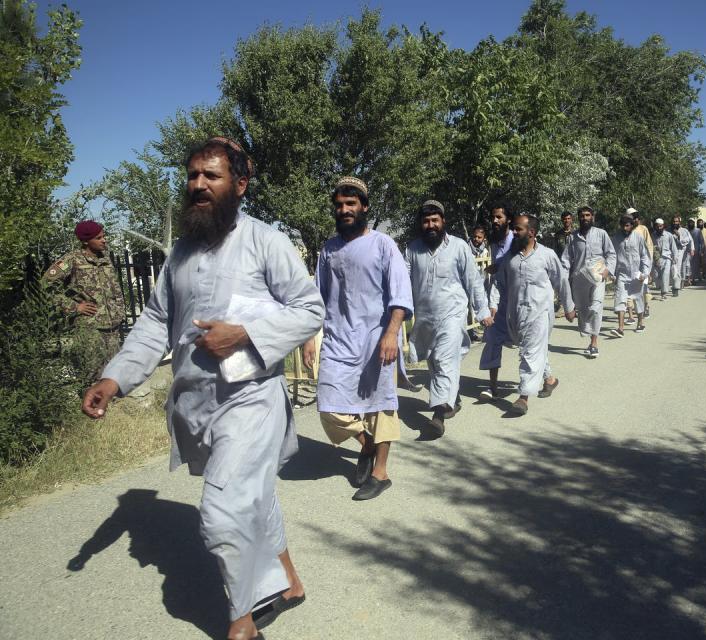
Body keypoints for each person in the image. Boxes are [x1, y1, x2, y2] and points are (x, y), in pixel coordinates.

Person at [81, 138, 325, 640]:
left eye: (210, 176)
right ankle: (291, 584)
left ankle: (242, 624)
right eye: (192, 175)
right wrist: (114, 377)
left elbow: (310, 309)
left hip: (251, 399)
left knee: (222, 512)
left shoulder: (266, 241)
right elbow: (154, 323)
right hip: (197, 403)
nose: (197, 185)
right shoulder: (179, 255)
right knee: (252, 499)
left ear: (240, 184)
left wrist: (245, 334)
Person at [305, 176, 414, 500]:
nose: (344, 210)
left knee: (381, 407)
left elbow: (400, 294)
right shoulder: (329, 249)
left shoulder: (383, 244)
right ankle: (366, 445)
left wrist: (391, 334)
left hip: (376, 340)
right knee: (329, 408)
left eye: (351, 204)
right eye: (339, 206)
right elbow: (316, 298)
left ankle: (380, 473)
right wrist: (310, 337)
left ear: (364, 207)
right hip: (339, 341)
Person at [405, 200, 491, 437]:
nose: (430, 225)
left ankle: (438, 415)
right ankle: (455, 398)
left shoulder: (459, 246)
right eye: (426, 221)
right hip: (425, 318)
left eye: (435, 220)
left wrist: (482, 310)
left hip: (452, 314)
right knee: (434, 362)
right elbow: (402, 281)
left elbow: (473, 280)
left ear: (443, 221)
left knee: (443, 359)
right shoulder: (412, 250)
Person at [489, 214, 575, 415]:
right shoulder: (510, 258)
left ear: (532, 233)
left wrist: (569, 307)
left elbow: (561, 281)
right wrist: (492, 304)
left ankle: (524, 397)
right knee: (533, 348)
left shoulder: (547, 255)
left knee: (530, 351)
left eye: (518, 229)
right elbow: (498, 283)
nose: (513, 232)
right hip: (516, 314)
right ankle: (550, 380)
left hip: (540, 313)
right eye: (513, 228)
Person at [43, 220, 126, 377]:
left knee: (113, 374)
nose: (104, 240)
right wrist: (74, 307)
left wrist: (120, 311)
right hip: (90, 328)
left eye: (104, 236)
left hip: (112, 326)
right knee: (91, 375)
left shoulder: (105, 259)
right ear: (86, 241)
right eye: (99, 237)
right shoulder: (71, 260)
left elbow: (114, 288)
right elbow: (45, 286)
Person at [561, 206, 616, 359]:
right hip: (579, 280)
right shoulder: (573, 237)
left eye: (587, 215)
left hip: (598, 278)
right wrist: (563, 277)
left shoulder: (601, 234)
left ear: (592, 216)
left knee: (596, 307)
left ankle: (594, 343)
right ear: (578, 218)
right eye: (582, 216)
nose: (584, 218)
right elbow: (566, 259)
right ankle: (588, 333)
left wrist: (607, 270)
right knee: (584, 310)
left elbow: (611, 254)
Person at [479, 204, 516, 400]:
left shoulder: (517, 240)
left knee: (528, 342)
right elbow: (496, 279)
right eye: (493, 217)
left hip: (519, 300)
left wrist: (499, 266)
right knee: (493, 339)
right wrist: (492, 304)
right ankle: (492, 386)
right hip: (499, 300)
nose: (495, 221)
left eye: (499, 217)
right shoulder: (493, 243)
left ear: (508, 219)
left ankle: (546, 377)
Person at [612, 214, 652, 335]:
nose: (625, 228)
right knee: (620, 299)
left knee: (638, 299)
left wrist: (645, 273)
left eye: (627, 226)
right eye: (623, 225)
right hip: (622, 274)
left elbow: (645, 256)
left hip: (636, 274)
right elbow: (612, 256)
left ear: (632, 225)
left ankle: (640, 323)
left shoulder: (638, 237)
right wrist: (612, 273)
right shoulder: (616, 238)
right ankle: (620, 328)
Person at [652, 218, 679, 301]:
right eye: (657, 226)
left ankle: (664, 292)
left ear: (663, 226)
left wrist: (675, 257)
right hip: (657, 259)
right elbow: (650, 247)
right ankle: (661, 287)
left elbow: (673, 247)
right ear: (655, 226)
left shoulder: (668, 235)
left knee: (665, 274)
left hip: (667, 258)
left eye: (660, 226)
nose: (659, 228)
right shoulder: (653, 235)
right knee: (656, 276)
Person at [672, 215, 694, 291]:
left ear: (679, 222)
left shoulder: (684, 230)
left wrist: (679, 236)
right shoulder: (669, 230)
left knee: (682, 267)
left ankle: (681, 284)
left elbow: (689, 240)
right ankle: (676, 285)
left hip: (682, 250)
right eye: (674, 221)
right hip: (672, 251)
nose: (675, 223)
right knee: (675, 268)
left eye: (676, 221)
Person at [688, 218, 704, 283]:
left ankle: (693, 278)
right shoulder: (686, 230)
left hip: (696, 251)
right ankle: (689, 278)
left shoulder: (698, 231)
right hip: (688, 251)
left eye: (692, 223)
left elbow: (701, 241)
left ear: (694, 224)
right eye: (689, 223)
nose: (690, 224)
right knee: (688, 265)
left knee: (695, 265)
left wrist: (701, 250)